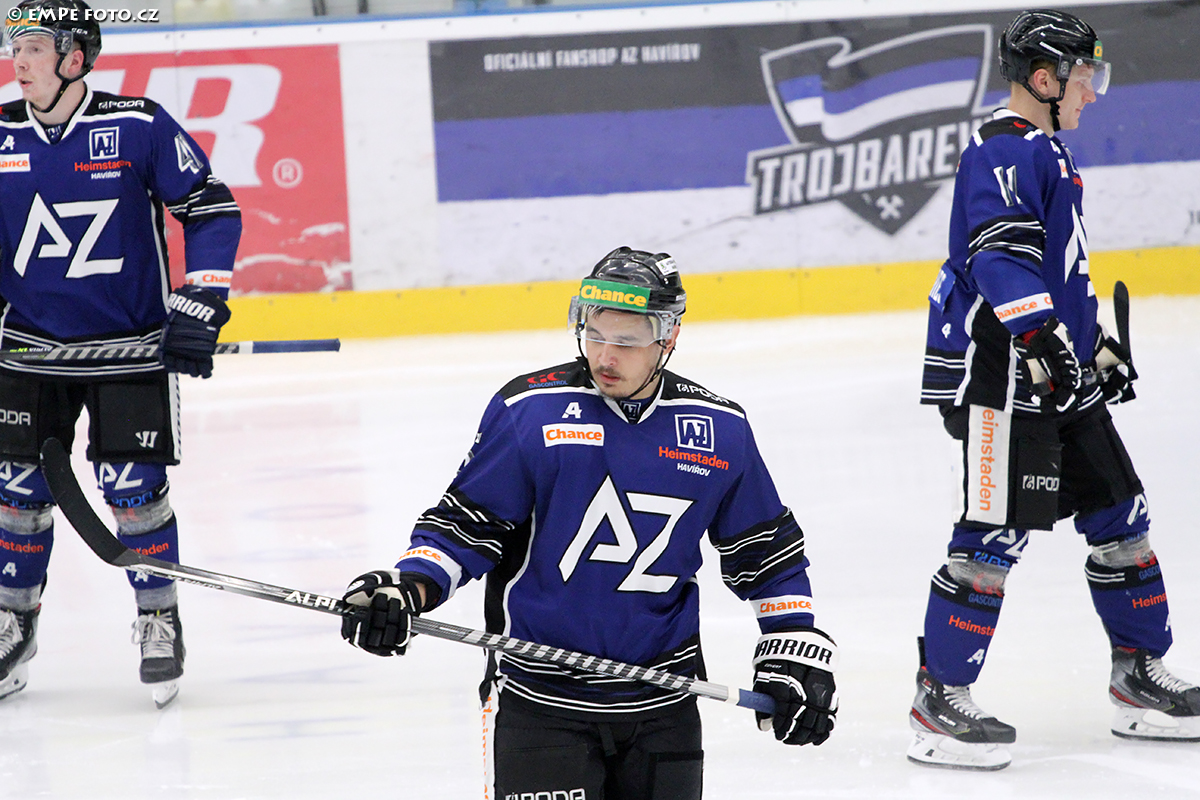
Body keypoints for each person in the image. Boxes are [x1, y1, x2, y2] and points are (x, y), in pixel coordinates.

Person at [340, 247, 838, 798]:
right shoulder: (531, 411)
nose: (605, 356)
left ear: (668, 337)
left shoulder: (719, 429)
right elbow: (466, 528)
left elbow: (765, 554)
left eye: (626, 341)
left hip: (664, 702)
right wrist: (407, 588)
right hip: (539, 699)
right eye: (595, 334)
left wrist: (793, 643)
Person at [911, 8, 1200, 770]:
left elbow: (1054, 269)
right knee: (993, 537)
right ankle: (938, 698)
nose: (1092, 92)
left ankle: (1137, 676)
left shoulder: (1043, 150)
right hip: (1004, 373)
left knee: (1120, 513)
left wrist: (1090, 345)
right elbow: (998, 259)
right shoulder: (1004, 150)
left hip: (1051, 368)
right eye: (1083, 77)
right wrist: (1040, 335)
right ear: (1043, 79)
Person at [0, 0, 241, 708]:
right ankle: (14, 619)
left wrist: (202, 299)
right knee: (16, 490)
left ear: (74, 57)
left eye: (34, 46)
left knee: (133, 491)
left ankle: (158, 617)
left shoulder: (136, 124)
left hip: (128, 350)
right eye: (15, 46)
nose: (18, 59)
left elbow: (210, 207)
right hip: (29, 351)